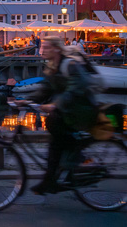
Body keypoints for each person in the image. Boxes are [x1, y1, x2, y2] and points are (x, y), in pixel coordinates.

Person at [28, 36, 100, 195]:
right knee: (54, 132)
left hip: (83, 110)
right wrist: (25, 101)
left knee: (55, 125)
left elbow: (76, 88)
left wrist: (55, 105)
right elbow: (46, 89)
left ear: (56, 49)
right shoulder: (52, 67)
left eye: (46, 47)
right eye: (42, 47)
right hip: (70, 110)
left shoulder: (70, 64)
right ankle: (50, 179)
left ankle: (75, 158)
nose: (42, 50)